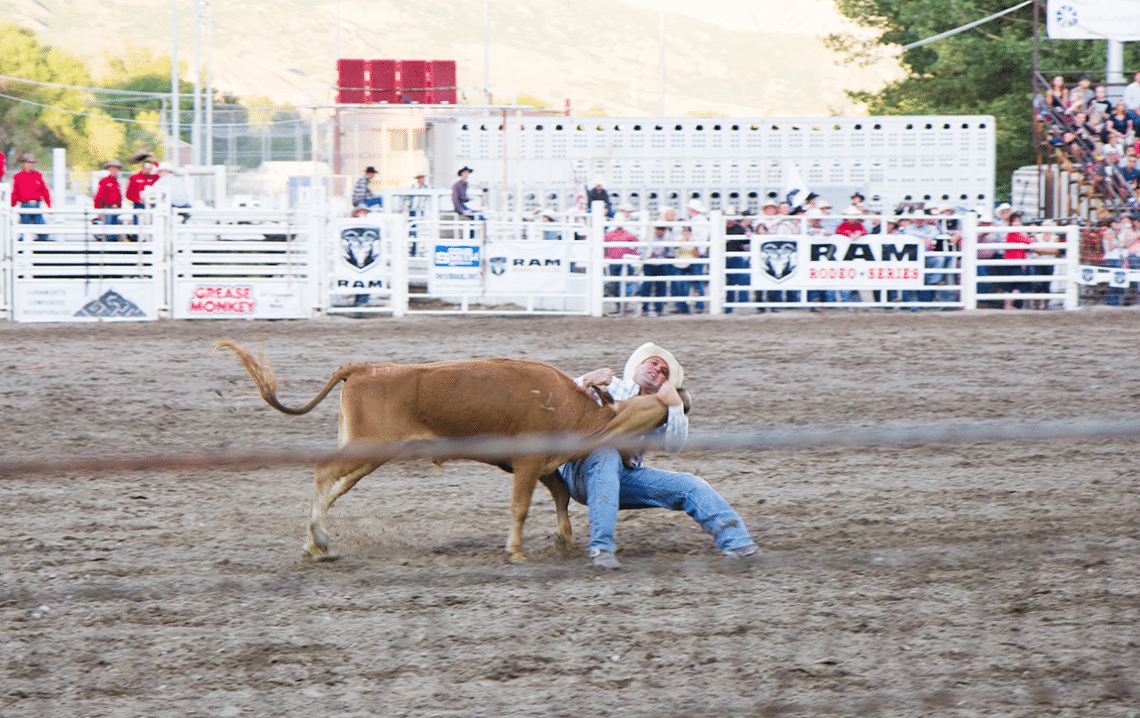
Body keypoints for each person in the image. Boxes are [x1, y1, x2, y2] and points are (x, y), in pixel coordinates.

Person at [558, 343, 760, 569]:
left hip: (621, 476)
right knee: (607, 454)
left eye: (664, 371)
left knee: (691, 485)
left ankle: (739, 545)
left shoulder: (660, 408)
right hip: (579, 470)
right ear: (637, 367)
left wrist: (674, 406)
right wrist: (584, 380)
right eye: (653, 363)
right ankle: (601, 548)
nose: (658, 370)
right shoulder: (611, 385)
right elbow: (554, 401)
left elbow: (674, 446)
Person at [10, 153, 51, 240]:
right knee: (24, 229)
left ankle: (41, 248)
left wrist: (49, 205)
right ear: (23, 163)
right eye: (28, 162)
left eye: (31, 162)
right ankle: (22, 248)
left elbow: (44, 190)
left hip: (36, 205)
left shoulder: (37, 175)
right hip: (25, 205)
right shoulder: (18, 176)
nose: (30, 164)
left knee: (42, 229)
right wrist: (12, 206)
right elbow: (15, 192)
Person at [724, 206, 750, 313]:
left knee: (740, 280)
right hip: (725, 257)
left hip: (736, 257)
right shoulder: (721, 227)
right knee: (729, 282)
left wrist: (748, 236)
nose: (730, 220)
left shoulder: (739, 228)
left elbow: (747, 243)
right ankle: (728, 306)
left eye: (732, 217)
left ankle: (741, 305)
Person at [125, 156, 159, 238]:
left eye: (149, 169)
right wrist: (138, 200)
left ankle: (149, 243)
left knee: (151, 224)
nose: (147, 170)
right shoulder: (134, 178)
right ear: (142, 168)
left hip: (151, 206)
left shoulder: (153, 178)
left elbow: (161, 171)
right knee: (138, 225)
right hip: (138, 205)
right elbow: (128, 194)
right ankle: (138, 243)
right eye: (146, 168)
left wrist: (154, 160)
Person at [93, 159, 123, 239]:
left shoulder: (117, 183)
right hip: (107, 207)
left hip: (115, 208)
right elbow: (99, 196)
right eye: (112, 168)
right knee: (108, 229)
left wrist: (119, 207)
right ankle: (109, 248)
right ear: (109, 169)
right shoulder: (104, 181)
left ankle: (112, 247)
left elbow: (119, 197)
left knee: (114, 229)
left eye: (116, 168)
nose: (114, 170)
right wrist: (98, 210)